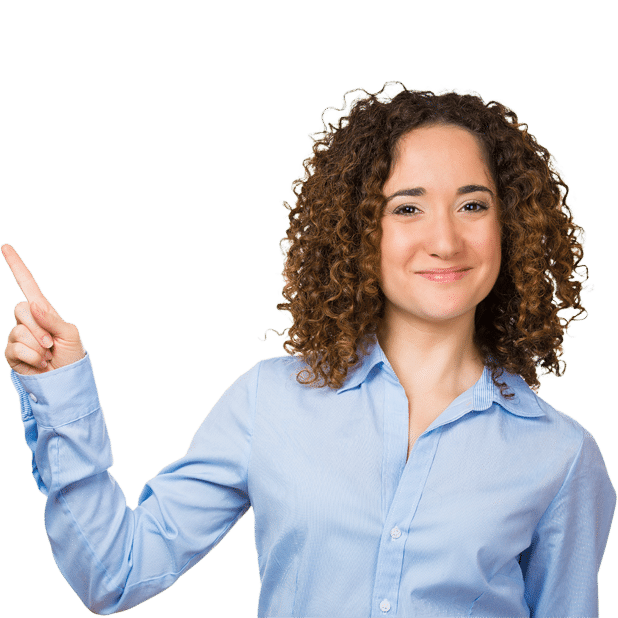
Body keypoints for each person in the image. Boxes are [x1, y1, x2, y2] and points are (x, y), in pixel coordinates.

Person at [3, 82, 616, 617]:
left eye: (473, 205)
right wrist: (63, 393)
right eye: (408, 207)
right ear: (357, 229)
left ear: (511, 225)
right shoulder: (269, 401)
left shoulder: (560, 458)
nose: (445, 238)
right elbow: (115, 574)